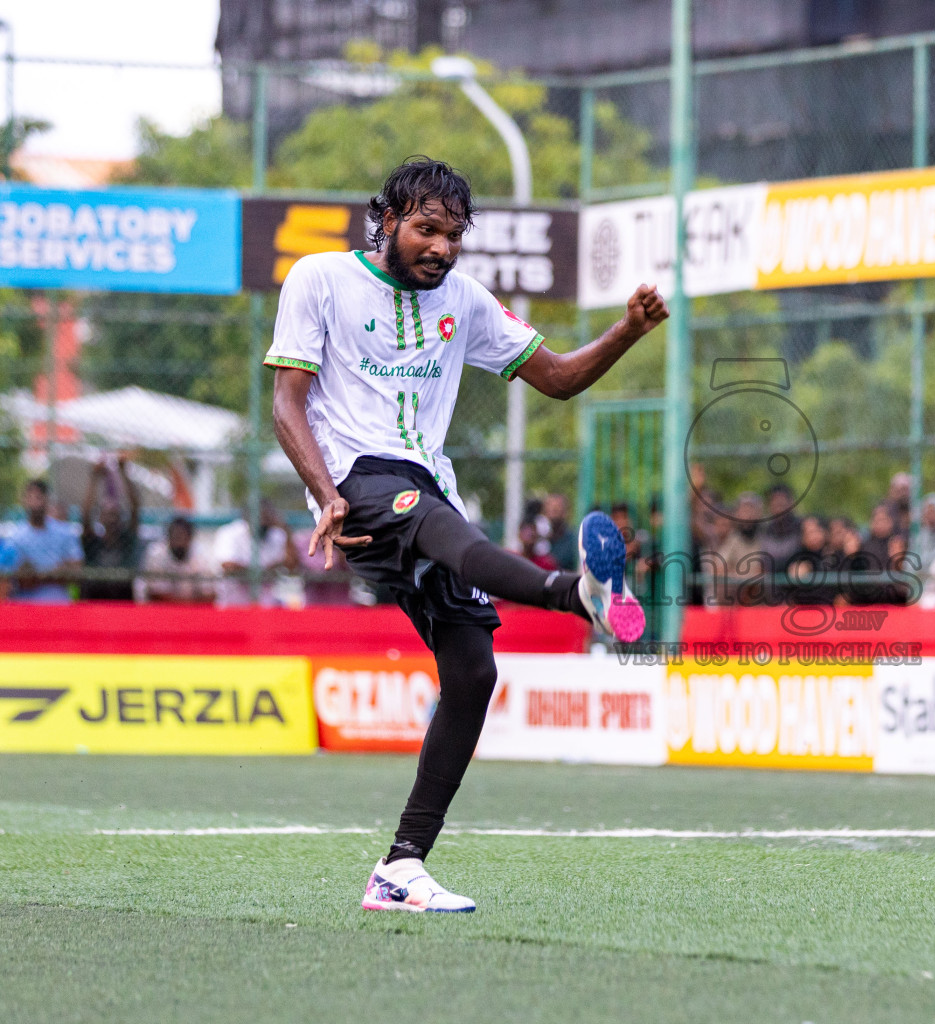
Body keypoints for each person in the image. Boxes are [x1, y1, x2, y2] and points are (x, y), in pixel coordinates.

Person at [266, 157, 666, 914]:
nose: (441, 247)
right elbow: (287, 401)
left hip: (425, 491)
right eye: (425, 228)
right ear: (385, 220)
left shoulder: (467, 301)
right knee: (431, 517)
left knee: (474, 674)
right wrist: (324, 494)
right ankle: (573, 594)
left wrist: (627, 330)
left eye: (453, 234)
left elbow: (558, 376)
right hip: (360, 483)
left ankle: (399, 869)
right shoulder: (319, 279)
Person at [9, 479, 82, 604]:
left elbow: (75, 571)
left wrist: (36, 575)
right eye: (30, 497)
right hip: (25, 605)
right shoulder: (15, 536)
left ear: (47, 499)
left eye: (39, 497)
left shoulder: (64, 532)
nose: (35, 503)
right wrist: (55, 573)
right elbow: (21, 580)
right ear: (24, 500)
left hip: (57, 603)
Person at [80, 457, 141, 601]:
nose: (111, 519)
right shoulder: (93, 542)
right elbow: (85, 515)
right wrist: (94, 478)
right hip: (95, 597)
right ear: (100, 517)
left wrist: (124, 474)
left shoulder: (127, 540)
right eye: (107, 515)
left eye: (115, 515)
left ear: (121, 518)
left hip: (122, 598)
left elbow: (135, 509)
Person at [138, 517, 217, 604]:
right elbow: (156, 595)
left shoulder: (202, 555)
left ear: (190, 537)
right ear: (168, 537)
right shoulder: (156, 553)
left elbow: (210, 595)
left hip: (193, 611)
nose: (179, 541)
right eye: (175, 536)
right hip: (162, 611)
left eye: (182, 536)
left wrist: (186, 607)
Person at [543, 493, 577, 570]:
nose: (552, 514)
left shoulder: (573, 540)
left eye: (556, 510)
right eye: (549, 509)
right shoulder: (539, 536)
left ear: (565, 512)